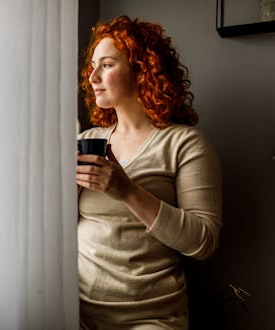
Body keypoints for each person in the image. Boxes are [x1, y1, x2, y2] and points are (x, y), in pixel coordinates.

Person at [76, 16, 222, 329]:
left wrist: (126, 191)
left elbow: (204, 241)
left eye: (107, 64)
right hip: (77, 313)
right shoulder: (87, 141)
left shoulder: (184, 143)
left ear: (142, 70)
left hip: (152, 318)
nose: (92, 77)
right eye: (92, 66)